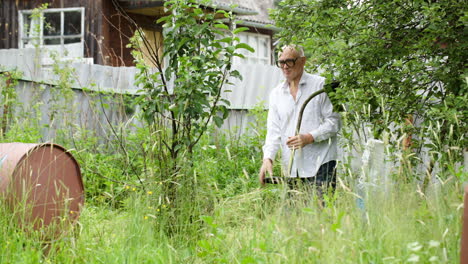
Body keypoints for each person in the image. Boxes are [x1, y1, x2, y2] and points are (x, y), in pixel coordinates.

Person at [259, 45, 341, 196]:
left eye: (289, 61)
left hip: (322, 163)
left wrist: (309, 137)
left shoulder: (323, 85)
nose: (285, 66)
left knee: (322, 214)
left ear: (302, 61)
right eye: (281, 62)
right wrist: (268, 158)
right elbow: (273, 131)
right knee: (296, 217)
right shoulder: (276, 94)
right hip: (291, 167)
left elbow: (335, 122)